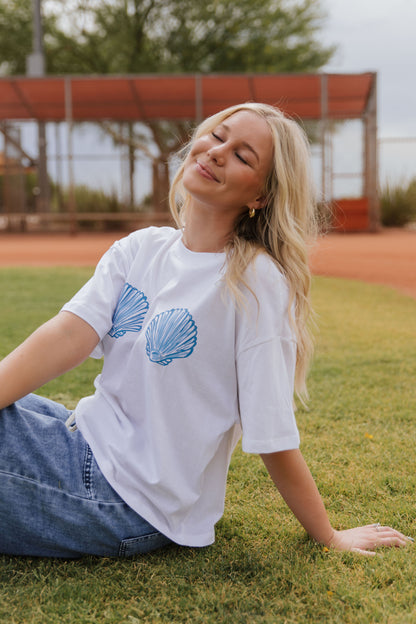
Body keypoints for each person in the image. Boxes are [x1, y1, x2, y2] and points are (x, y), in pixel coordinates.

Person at [0, 103, 410, 558]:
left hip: (123, 497)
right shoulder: (140, 248)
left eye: (242, 156)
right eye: (218, 136)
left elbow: (271, 430)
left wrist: (329, 535)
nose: (218, 152)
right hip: (86, 437)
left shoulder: (254, 282)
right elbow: (67, 336)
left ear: (260, 196)